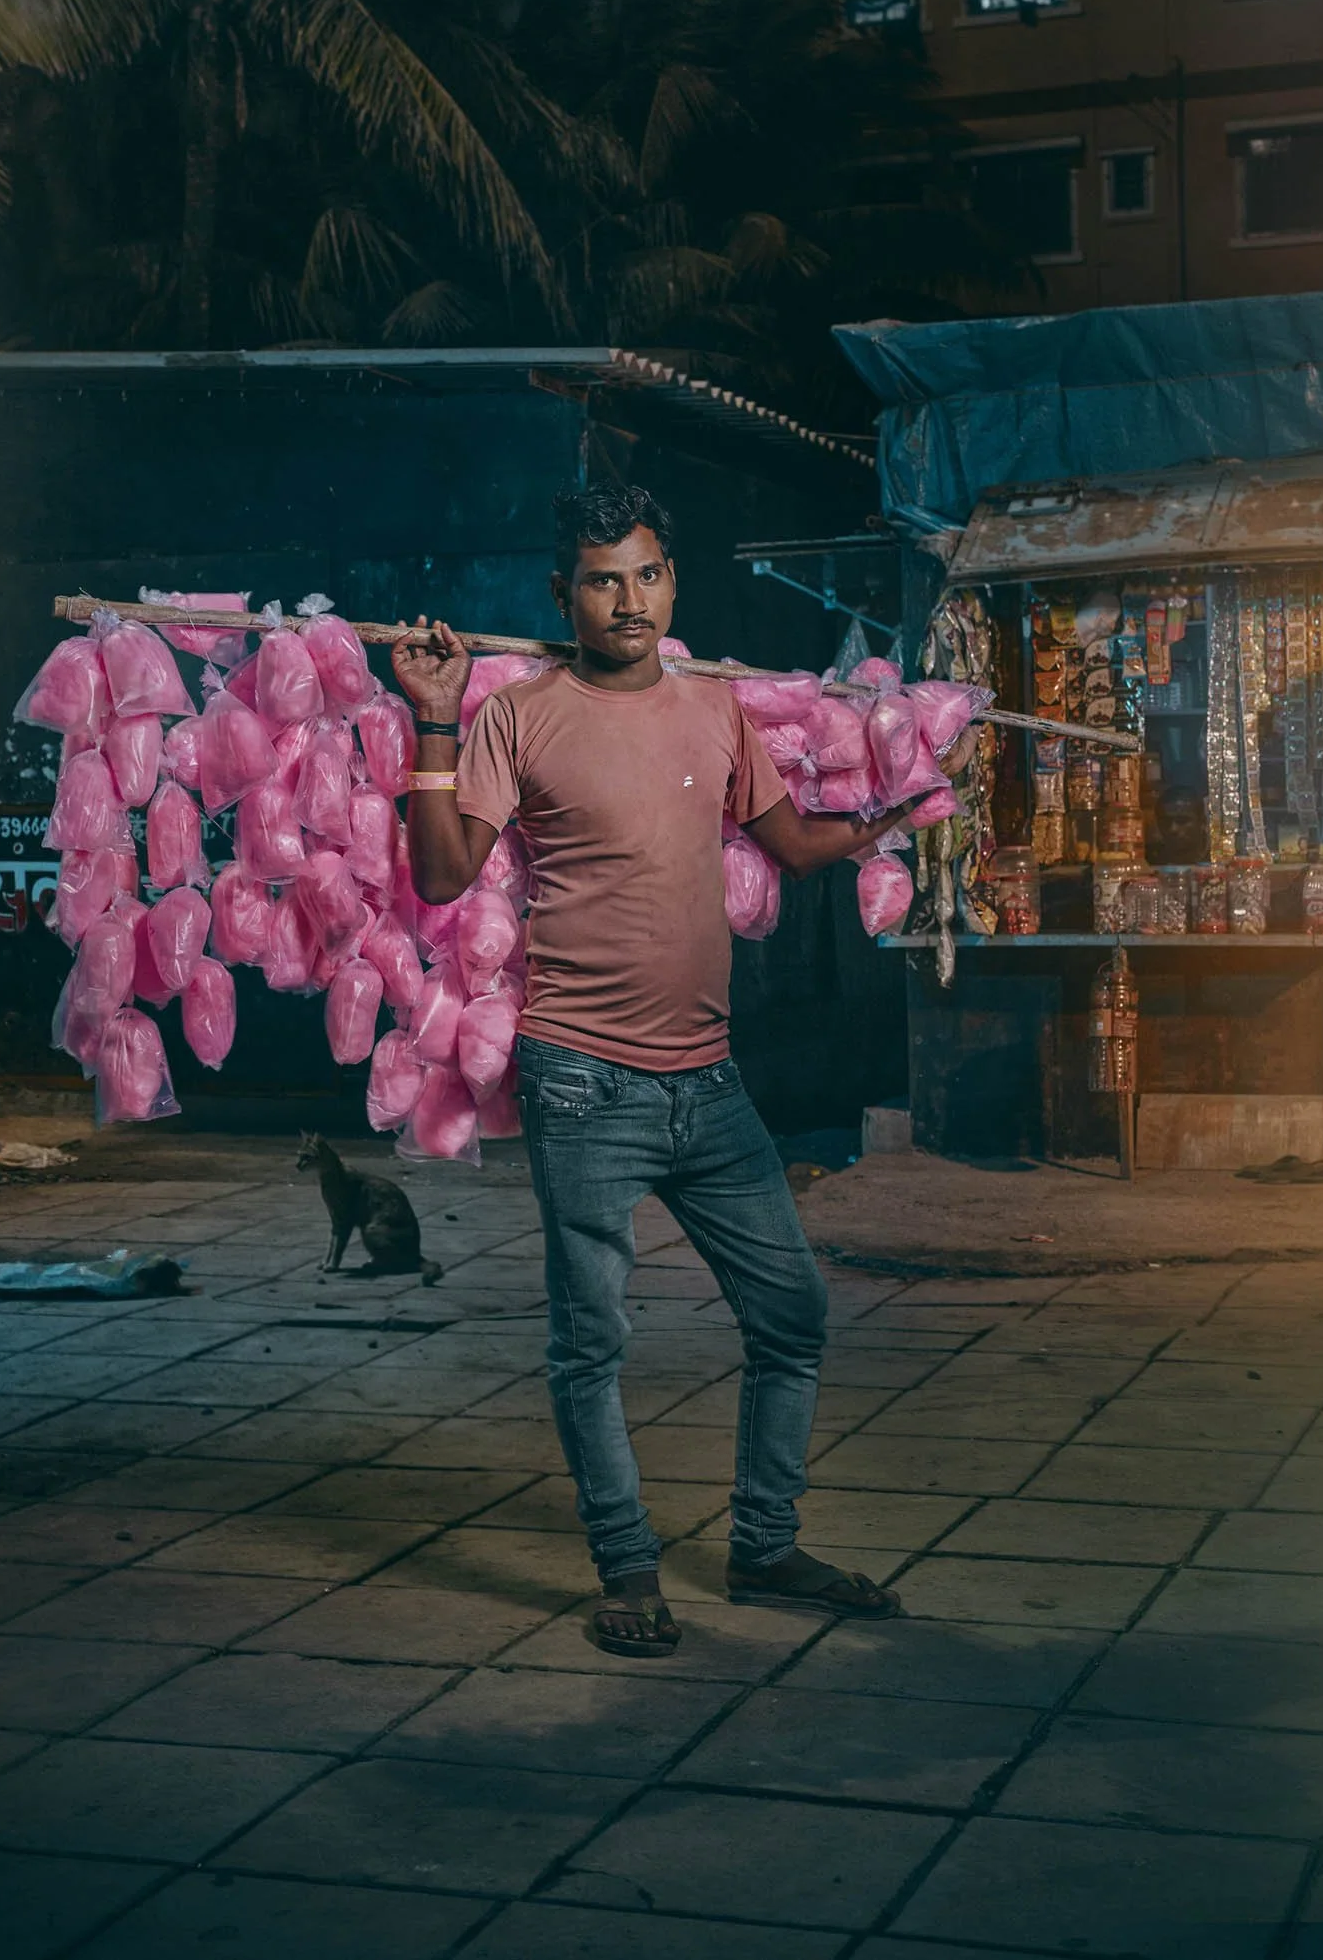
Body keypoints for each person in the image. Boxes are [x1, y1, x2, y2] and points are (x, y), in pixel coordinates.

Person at [392, 482, 976, 1659]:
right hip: (581, 1082)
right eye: (603, 580)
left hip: (708, 1082)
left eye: (648, 575)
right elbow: (447, 876)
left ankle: (764, 1545)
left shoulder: (715, 713)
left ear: (672, 583)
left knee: (793, 1312)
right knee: (593, 1340)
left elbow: (791, 844)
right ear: (563, 596)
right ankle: (626, 1567)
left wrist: (889, 812)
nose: (629, 600)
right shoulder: (523, 716)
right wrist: (438, 718)